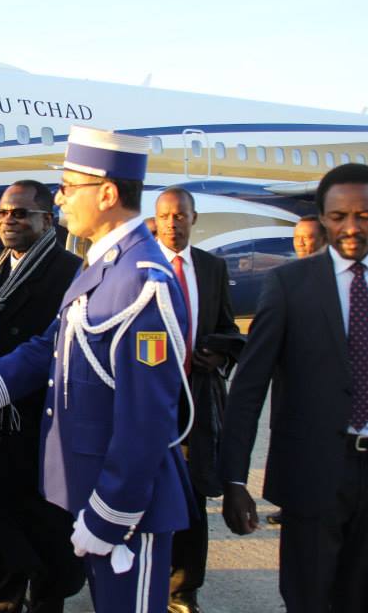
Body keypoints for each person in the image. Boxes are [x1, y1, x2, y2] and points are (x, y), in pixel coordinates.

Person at [0, 125, 192, 613]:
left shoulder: (143, 282)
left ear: (108, 193)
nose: (62, 198)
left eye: (71, 186)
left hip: (128, 509)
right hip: (92, 494)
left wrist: (110, 516)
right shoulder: (103, 266)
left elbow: (147, 422)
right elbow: (49, 347)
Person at [219, 163, 368, 612]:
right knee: (308, 596)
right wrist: (234, 479)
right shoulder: (289, 285)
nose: (351, 228)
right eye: (338, 217)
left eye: (364, 215)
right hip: (312, 472)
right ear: (323, 217)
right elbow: (249, 387)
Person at [0, 180, 84, 613]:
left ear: (47, 220)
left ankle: (45, 602)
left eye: (20, 213)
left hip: (38, 423)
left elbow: (57, 352)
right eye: (1, 212)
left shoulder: (71, 271)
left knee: (46, 528)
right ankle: (0, 594)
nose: (8, 220)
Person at [154, 187, 242, 613]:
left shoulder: (211, 267)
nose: (174, 222)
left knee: (191, 497)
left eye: (181, 215)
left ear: (193, 218)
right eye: (166, 215)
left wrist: (221, 352)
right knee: (143, 492)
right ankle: (144, 579)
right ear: (156, 220)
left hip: (197, 400)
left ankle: (183, 589)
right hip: (148, 403)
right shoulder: (136, 265)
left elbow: (228, 326)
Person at [266, 212, 329, 527]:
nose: (302, 244)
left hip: (324, 385)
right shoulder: (284, 279)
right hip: (289, 381)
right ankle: (288, 503)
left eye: (308, 238)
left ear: (325, 239)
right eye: (297, 238)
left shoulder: (334, 279)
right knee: (288, 445)